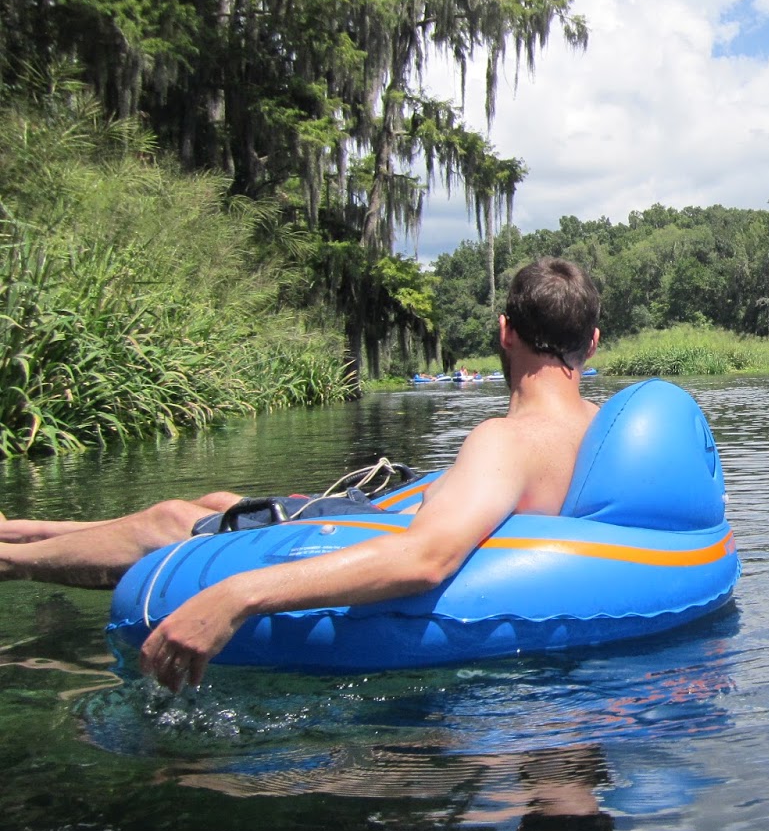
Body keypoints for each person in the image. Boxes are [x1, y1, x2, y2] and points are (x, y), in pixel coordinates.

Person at [0, 257, 602, 692]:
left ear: (504, 331)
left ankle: (11, 558)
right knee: (220, 500)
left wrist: (235, 597)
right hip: (383, 521)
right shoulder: (604, 428)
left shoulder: (506, 440)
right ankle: (25, 527)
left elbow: (425, 561)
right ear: (592, 344)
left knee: (174, 519)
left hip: (388, 543)